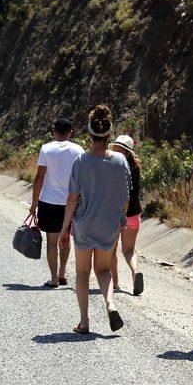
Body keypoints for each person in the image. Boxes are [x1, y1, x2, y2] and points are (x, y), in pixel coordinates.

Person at [58, 105, 132, 334]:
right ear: (109, 135)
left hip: (84, 225)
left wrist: (64, 230)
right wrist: (120, 219)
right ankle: (110, 305)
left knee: (82, 273)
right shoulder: (121, 161)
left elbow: (72, 198)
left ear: (89, 135)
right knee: (103, 271)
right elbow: (126, 197)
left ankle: (84, 322)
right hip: (108, 226)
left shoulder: (81, 161)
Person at [30, 117, 84, 288]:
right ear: (71, 132)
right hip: (70, 201)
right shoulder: (78, 150)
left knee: (52, 241)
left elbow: (39, 178)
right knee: (66, 238)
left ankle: (53, 278)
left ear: (53, 131)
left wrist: (34, 204)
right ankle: (62, 273)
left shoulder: (46, 149)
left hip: (48, 201)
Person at [109, 135, 144, 296]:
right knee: (129, 250)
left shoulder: (113, 166)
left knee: (112, 250)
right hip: (134, 214)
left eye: (117, 148)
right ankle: (135, 271)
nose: (114, 150)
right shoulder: (136, 167)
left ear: (126, 152)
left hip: (116, 214)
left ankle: (115, 283)